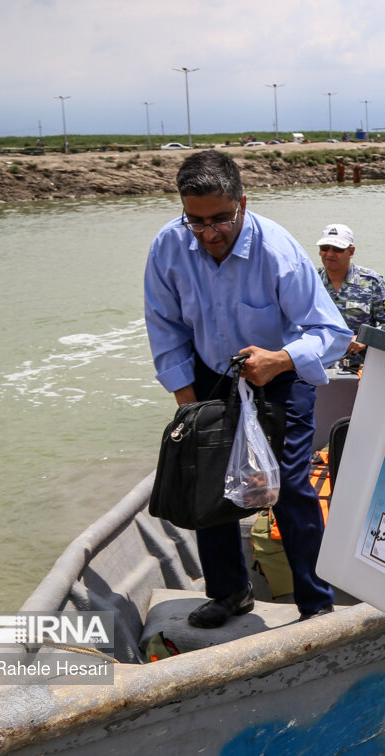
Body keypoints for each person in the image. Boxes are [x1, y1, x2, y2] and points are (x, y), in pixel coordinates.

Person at [144, 150, 350, 627]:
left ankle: (315, 603)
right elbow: (165, 327)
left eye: (221, 219)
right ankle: (230, 592)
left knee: (291, 487)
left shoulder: (278, 250)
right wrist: (188, 406)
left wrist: (279, 359)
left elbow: (330, 333)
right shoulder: (168, 246)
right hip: (209, 376)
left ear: (242, 202)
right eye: (195, 221)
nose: (209, 233)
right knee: (207, 481)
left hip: (279, 375)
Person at [315, 223, 385, 356]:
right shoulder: (311, 282)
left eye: (337, 249)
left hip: (359, 367)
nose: (329, 253)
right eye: (324, 248)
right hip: (318, 363)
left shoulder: (372, 283)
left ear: (351, 251)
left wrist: (365, 339)